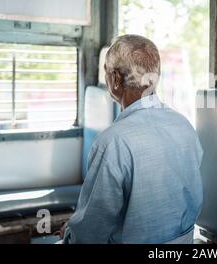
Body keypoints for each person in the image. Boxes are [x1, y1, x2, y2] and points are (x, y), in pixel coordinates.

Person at [60, 34, 203, 243]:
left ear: (116, 79)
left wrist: (70, 233)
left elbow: (91, 232)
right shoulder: (185, 126)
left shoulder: (112, 142)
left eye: (107, 73)